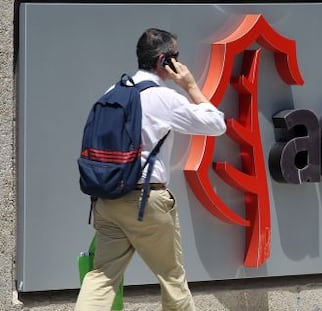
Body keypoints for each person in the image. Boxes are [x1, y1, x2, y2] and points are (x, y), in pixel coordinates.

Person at [74, 28, 226, 311]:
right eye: (176, 57)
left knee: (102, 276)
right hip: (146, 203)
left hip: (107, 200)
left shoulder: (114, 91)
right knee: (172, 278)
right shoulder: (163, 97)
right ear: (164, 61)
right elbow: (217, 124)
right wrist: (191, 86)